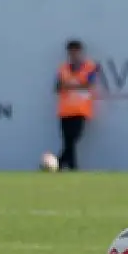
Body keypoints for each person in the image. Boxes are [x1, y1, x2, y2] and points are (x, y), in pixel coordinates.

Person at [54, 40, 99, 171]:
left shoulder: (89, 67)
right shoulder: (62, 69)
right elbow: (57, 87)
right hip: (65, 111)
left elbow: (89, 85)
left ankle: (57, 163)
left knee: (73, 139)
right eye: (71, 52)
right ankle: (71, 167)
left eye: (76, 52)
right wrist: (76, 85)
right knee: (68, 142)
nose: (73, 55)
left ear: (80, 53)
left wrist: (69, 85)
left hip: (80, 111)